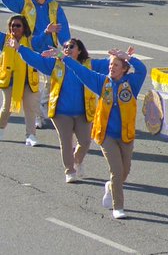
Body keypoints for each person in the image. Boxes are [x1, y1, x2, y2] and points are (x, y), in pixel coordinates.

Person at [63, 46, 146, 219]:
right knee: (116, 170)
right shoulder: (102, 82)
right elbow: (82, 71)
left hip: (126, 135)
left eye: (116, 65)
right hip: (106, 135)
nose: (111, 67)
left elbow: (142, 70)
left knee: (124, 172)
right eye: (110, 64)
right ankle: (118, 207)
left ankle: (110, 187)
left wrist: (128, 57)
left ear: (124, 69)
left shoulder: (132, 83)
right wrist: (64, 58)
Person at [17, 37, 103, 182]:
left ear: (79, 50)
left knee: (85, 142)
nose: (67, 49)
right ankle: (69, 171)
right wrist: (20, 48)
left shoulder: (90, 64)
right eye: (65, 47)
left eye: (71, 46)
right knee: (66, 142)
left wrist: (126, 59)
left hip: (84, 112)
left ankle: (77, 161)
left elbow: (110, 65)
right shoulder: (55, 64)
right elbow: (36, 59)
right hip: (61, 113)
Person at [1, 15, 40, 146]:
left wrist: (47, 32)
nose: (15, 28)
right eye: (12, 25)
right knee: (6, 108)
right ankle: (1, 128)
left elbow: (42, 42)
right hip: (9, 81)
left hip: (29, 80)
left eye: (18, 25)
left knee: (30, 109)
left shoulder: (30, 41)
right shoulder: (4, 39)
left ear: (24, 28)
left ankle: (30, 135)